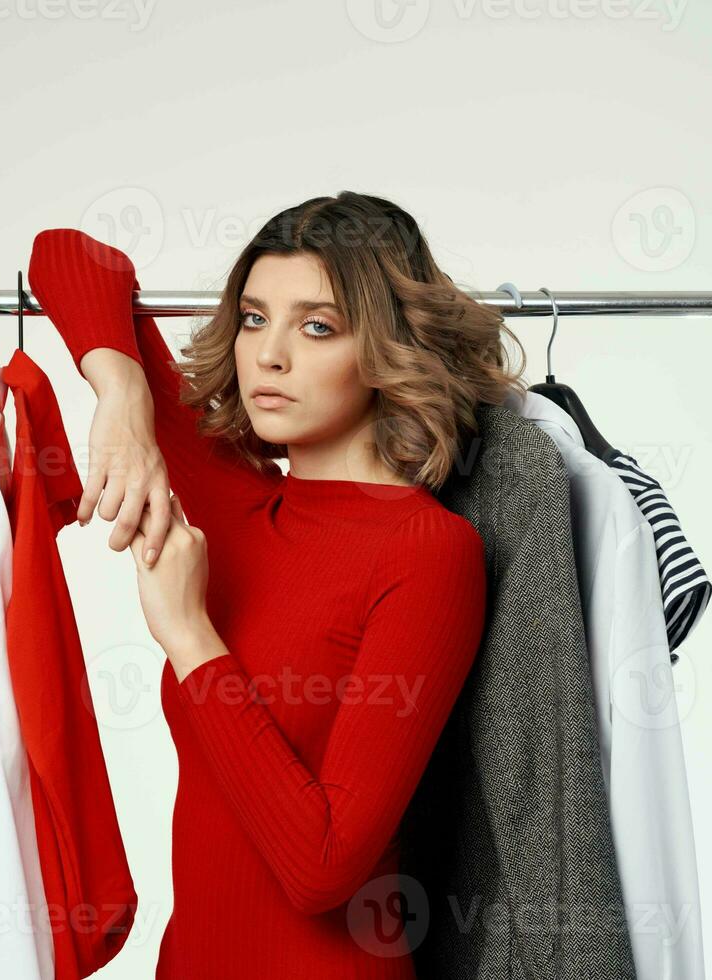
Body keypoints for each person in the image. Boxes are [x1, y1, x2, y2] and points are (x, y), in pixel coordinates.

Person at [26, 190, 528, 978]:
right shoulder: (234, 497)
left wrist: (192, 638)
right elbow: (67, 254)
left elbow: (322, 866)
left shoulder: (427, 552)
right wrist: (121, 396)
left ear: (388, 347)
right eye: (255, 318)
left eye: (317, 326)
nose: (269, 355)